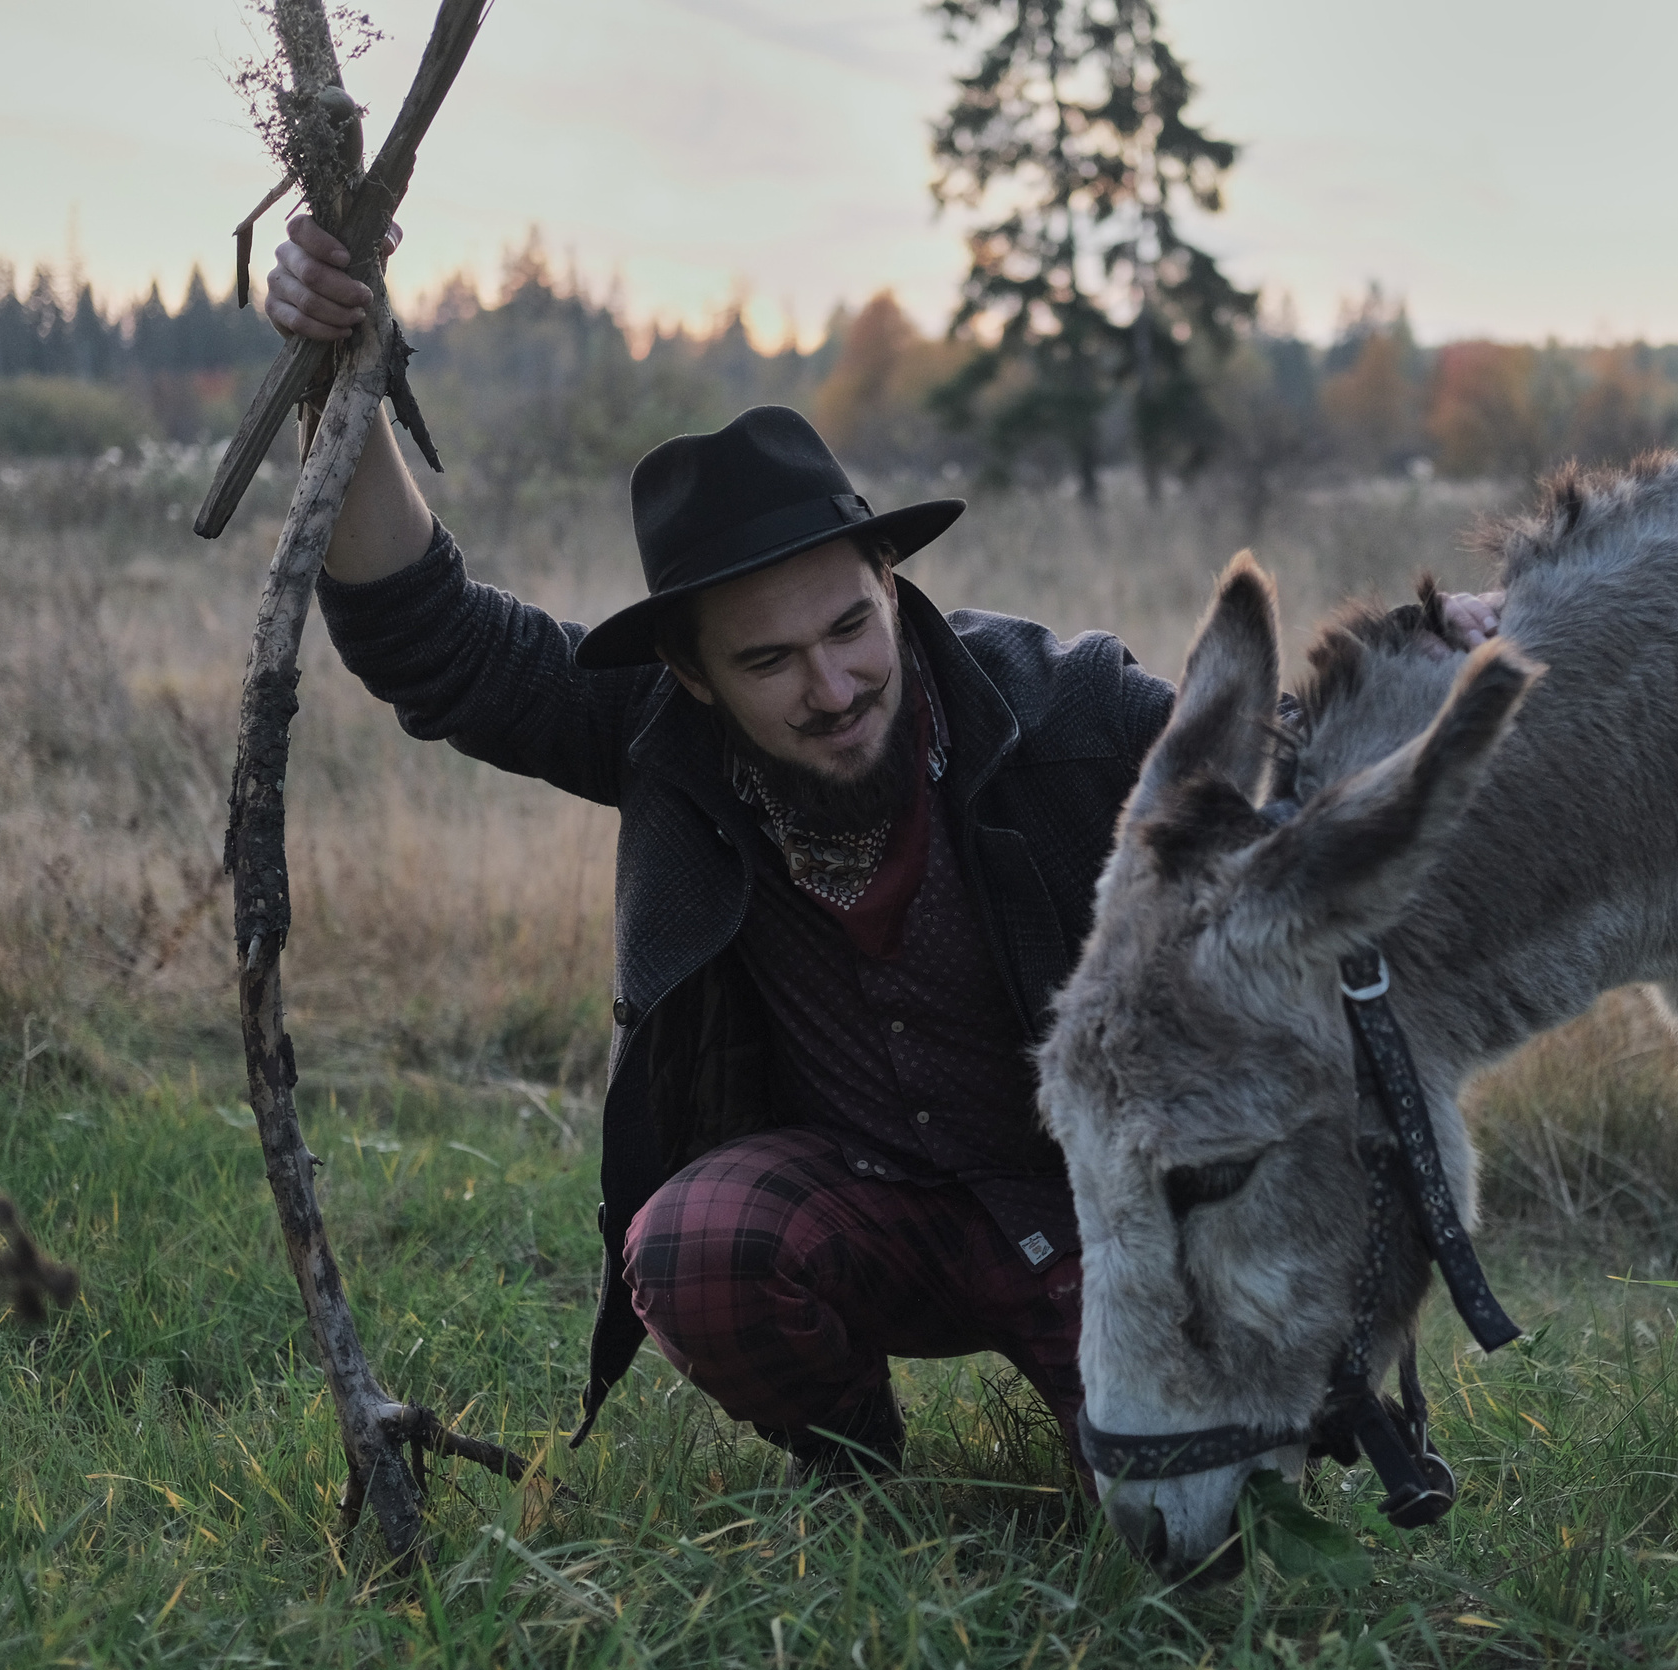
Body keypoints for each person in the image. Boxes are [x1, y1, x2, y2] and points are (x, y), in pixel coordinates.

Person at [265, 215, 1502, 1485]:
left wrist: (1434, 649)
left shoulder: (1065, 714)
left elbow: (1285, 775)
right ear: (690, 677)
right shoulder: (655, 740)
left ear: (889, 578)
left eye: (852, 625)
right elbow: (431, 639)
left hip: (1095, 1227)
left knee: (1198, 1522)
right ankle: (854, 1471)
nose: (833, 684)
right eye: (767, 660)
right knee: (700, 1249)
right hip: (862, 1208)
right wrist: (336, 368)